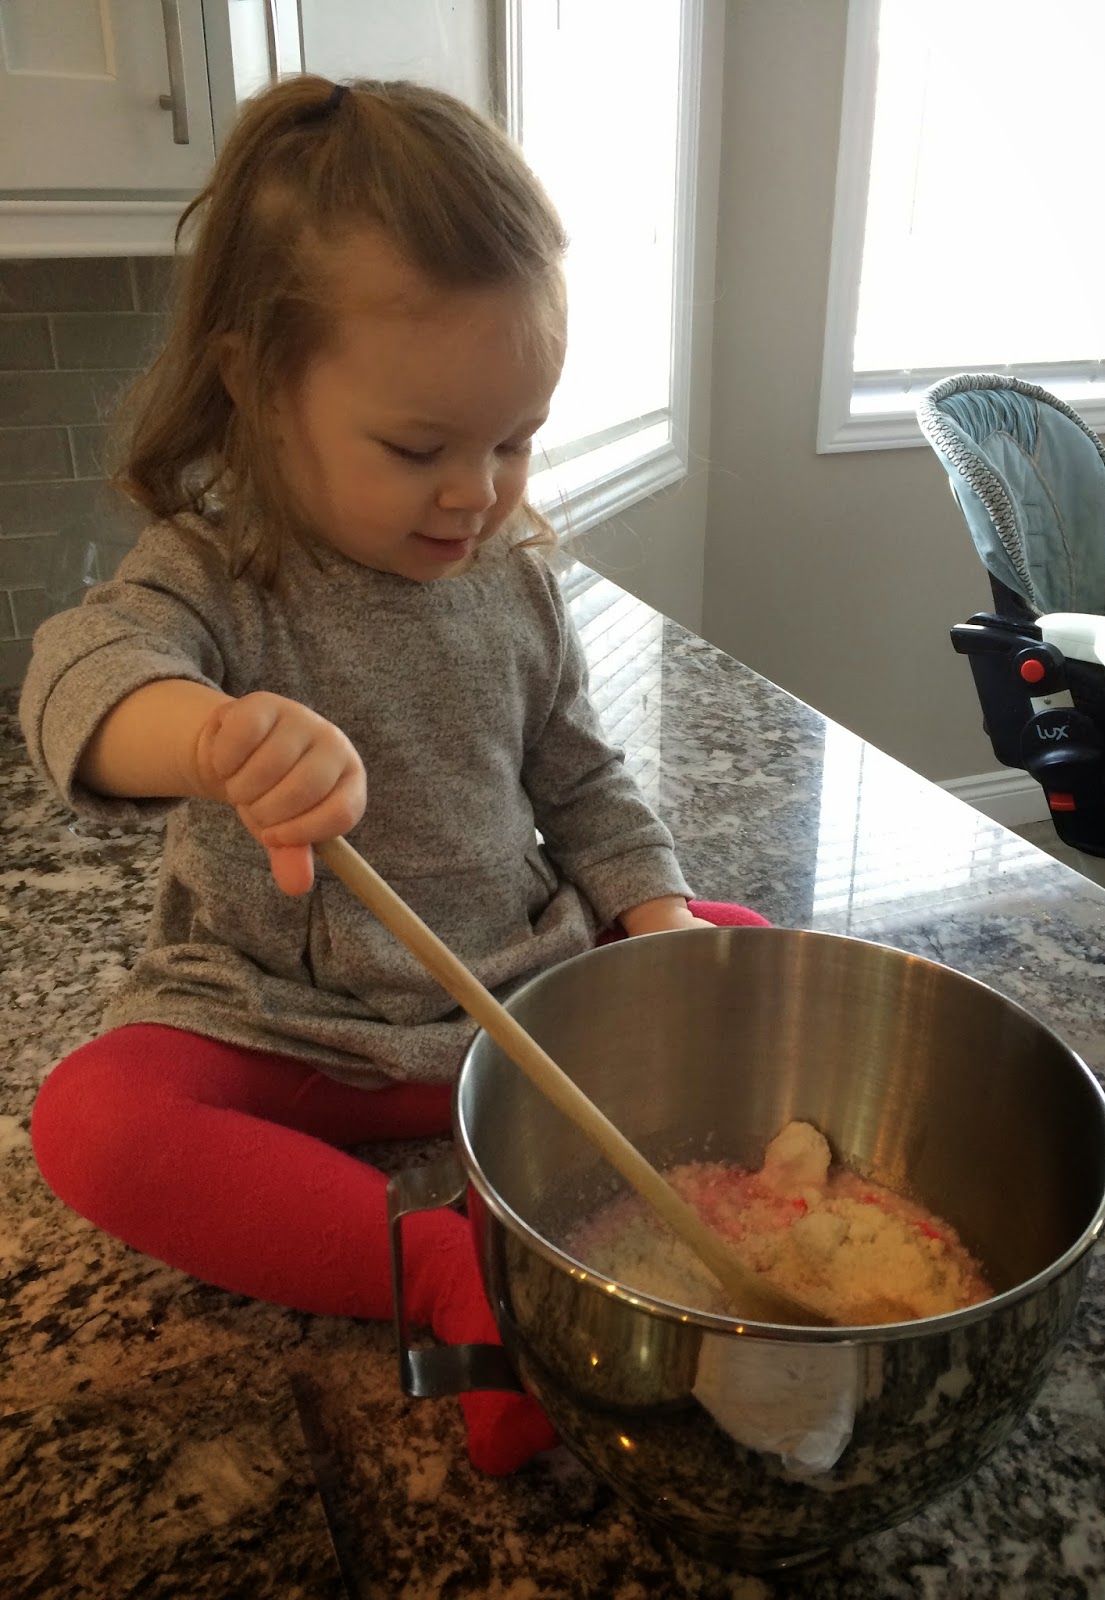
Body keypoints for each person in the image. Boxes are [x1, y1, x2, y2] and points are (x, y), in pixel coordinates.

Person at [19, 76, 768, 1476]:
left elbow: (586, 791)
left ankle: (548, 1177)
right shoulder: (214, 574)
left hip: (518, 1005)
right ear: (256, 382)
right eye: (419, 448)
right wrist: (211, 737)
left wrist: (659, 925)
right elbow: (79, 671)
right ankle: (440, 1260)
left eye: (514, 439)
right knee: (95, 1124)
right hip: (292, 1031)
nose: (476, 492)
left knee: (747, 954)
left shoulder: (514, 583)